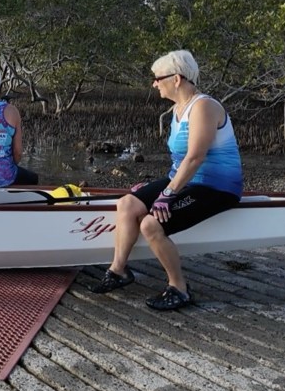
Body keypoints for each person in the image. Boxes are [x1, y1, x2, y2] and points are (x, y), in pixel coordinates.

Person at [89, 50, 243, 310]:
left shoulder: (203, 106)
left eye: (158, 78)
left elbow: (195, 157)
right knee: (127, 204)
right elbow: (179, 159)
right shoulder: (177, 110)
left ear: (177, 79)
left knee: (150, 224)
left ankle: (179, 288)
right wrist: (153, 188)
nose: (154, 83)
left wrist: (168, 194)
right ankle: (119, 271)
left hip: (217, 186)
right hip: (186, 179)